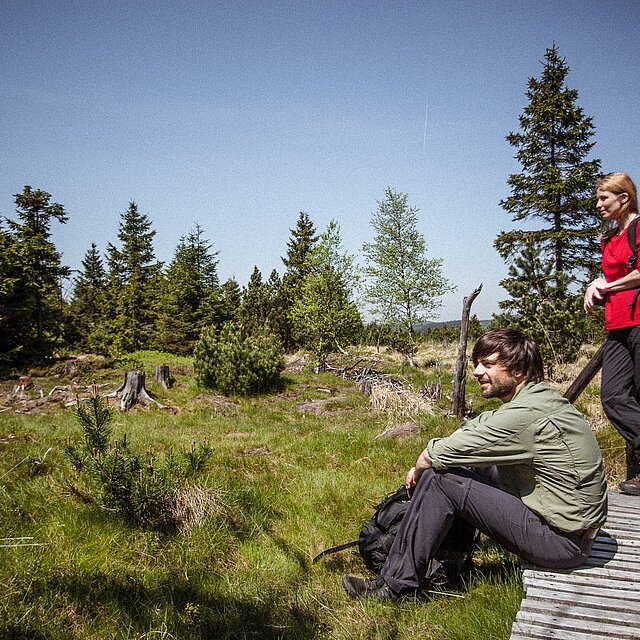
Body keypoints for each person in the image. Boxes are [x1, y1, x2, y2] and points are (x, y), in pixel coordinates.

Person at [342, 328, 607, 601]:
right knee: (472, 465)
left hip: (562, 543)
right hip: (572, 531)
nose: (478, 372)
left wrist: (418, 469)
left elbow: (433, 456)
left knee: (440, 479)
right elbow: (477, 426)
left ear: (518, 371)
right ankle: (450, 556)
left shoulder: (526, 416)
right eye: (477, 364)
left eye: (488, 364)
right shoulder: (537, 399)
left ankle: (397, 586)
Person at [584, 172, 640, 495]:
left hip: (639, 321)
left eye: (604, 198)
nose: (599, 204)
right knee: (613, 396)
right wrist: (596, 283)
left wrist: (608, 285)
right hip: (617, 326)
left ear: (624, 198)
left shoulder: (638, 228)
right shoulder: (611, 238)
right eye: (597, 198)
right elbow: (609, 274)